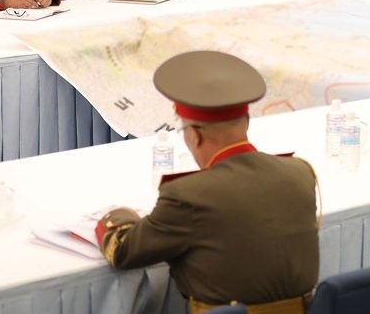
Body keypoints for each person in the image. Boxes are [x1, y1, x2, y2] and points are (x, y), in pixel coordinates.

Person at [96, 51, 319, 312]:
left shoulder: (187, 194)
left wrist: (120, 214)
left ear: (195, 135)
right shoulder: (299, 172)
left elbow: (124, 251)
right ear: (246, 122)